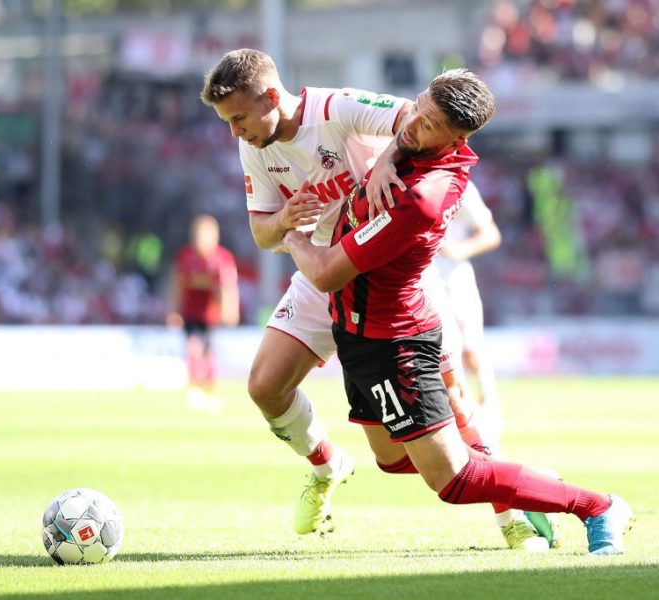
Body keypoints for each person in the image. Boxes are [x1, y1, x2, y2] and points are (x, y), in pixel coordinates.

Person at [201, 48, 554, 550]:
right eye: (227, 121)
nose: (233, 131)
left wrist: (388, 156)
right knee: (264, 386)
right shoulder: (253, 143)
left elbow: (414, 117)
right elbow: (261, 230)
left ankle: (511, 512)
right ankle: (326, 464)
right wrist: (285, 221)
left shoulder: (339, 108)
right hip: (321, 268)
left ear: (272, 97)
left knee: (453, 403)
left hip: (390, 277)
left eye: (237, 118)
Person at [279, 68, 634, 555]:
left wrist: (292, 234)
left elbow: (323, 274)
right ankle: (521, 482)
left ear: (455, 138)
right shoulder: (421, 138)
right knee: (389, 458)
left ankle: (596, 506)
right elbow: (408, 127)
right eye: (420, 105)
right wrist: (388, 155)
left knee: (453, 480)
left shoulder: (420, 200)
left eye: (429, 124)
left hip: (395, 343)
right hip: (356, 337)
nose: (415, 123)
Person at [432, 180, 505, 454]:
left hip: (454, 280)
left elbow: (490, 233)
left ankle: (491, 408)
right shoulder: (400, 174)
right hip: (420, 283)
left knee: (471, 350)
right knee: (440, 356)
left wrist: (460, 250)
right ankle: (457, 421)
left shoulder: (457, 184)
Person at [168, 215, 240, 412]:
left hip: (211, 314)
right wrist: (174, 310)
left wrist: (230, 310)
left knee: (209, 352)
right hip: (190, 311)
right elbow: (177, 284)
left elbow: (229, 287)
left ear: (215, 237)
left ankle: (210, 390)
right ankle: (194, 388)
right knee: (193, 348)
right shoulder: (185, 256)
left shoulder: (223, 258)